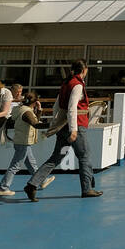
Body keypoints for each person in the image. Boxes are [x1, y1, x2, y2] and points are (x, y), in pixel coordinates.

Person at [25, 60, 102, 200]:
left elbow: (57, 106)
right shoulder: (77, 85)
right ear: (84, 70)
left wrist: (56, 123)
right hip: (76, 126)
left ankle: (32, 184)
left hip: (63, 127)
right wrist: (74, 130)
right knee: (84, 157)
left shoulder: (66, 83)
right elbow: (72, 107)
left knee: (56, 157)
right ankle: (87, 189)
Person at [0, 92, 55, 197]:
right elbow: (36, 124)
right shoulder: (27, 112)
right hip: (23, 142)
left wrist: (39, 110)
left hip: (21, 141)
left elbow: (34, 120)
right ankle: (3, 188)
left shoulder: (21, 109)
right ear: (35, 101)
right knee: (15, 166)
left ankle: (41, 181)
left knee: (31, 163)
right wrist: (52, 124)